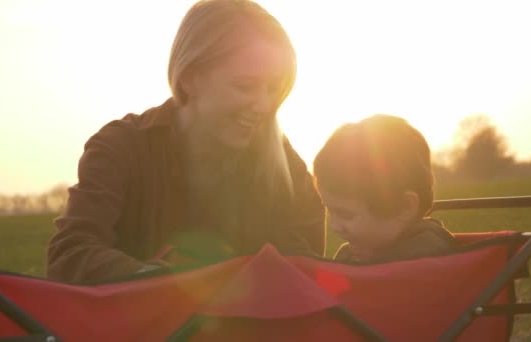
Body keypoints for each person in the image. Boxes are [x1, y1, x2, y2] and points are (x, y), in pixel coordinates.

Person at [47, 0, 325, 283]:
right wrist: (166, 284)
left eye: (273, 88)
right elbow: (72, 252)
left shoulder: (285, 165)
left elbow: (307, 275)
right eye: (245, 86)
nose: (264, 105)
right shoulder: (121, 146)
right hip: (140, 325)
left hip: (253, 327)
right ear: (190, 79)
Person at [313, 115, 457, 263]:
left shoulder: (427, 259)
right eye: (330, 210)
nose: (335, 226)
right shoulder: (348, 255)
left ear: (405, 206)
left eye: (346, 214)